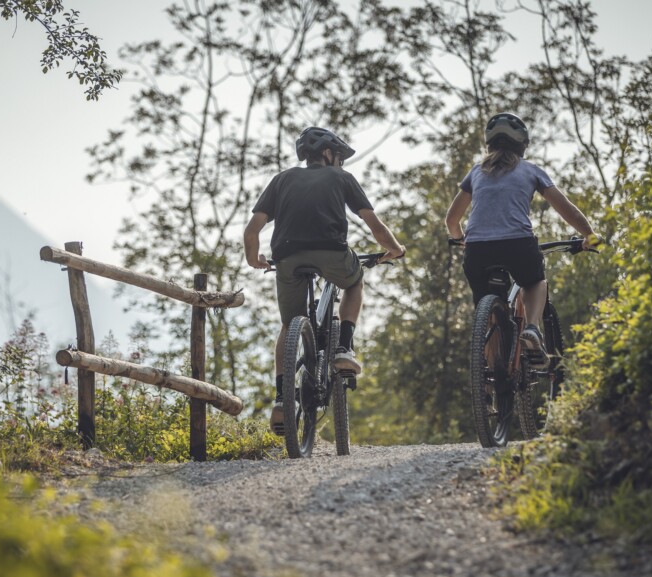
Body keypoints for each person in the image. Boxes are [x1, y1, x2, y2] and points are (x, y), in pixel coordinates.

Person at [244, 126, 406, 429]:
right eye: (339, 156)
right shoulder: (342, 178)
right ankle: (344, 347)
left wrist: (255, 259)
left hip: (287, 257)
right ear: (329, 154)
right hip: (332, 253)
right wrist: (395, 250)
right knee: (354, 282)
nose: (340, 162)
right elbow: (375, 226)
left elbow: (252, 231)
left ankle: (282, 397)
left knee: (288, 324)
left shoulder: (282, 179)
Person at [445, 112, 601, 366]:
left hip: (476, 251)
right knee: (535, 281)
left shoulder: (476, 172)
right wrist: (590, 236)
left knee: (490, 321)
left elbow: (452, 220)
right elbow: (567, 209)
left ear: (489, 144)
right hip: (517, 244)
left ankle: (487, 386)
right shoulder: (531, 171)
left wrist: (461, 238)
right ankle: (531, 327)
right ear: (522, 145)